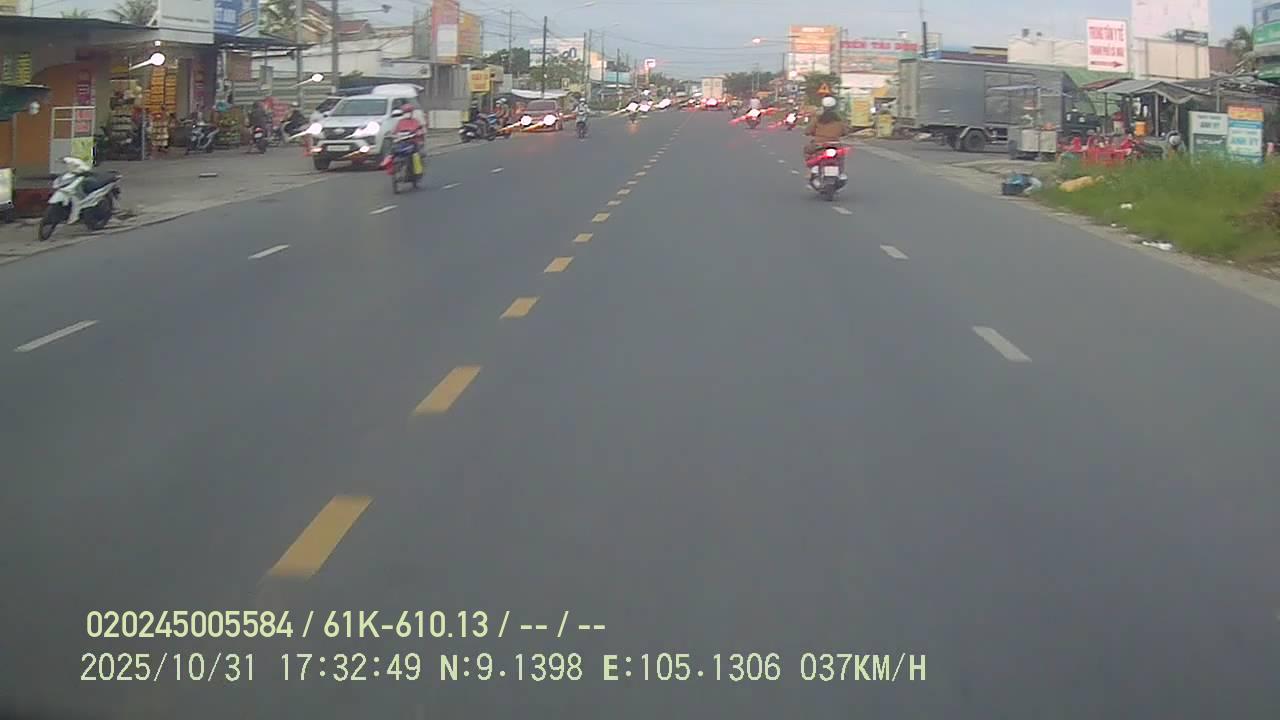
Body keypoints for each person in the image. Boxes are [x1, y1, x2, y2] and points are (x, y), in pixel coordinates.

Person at [804, 95, 846, 159]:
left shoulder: (817, 119)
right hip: (835, 144)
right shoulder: (839, 120)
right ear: (835, 107)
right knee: (840, 156)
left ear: (823, 107)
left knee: (808, 151)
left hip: (819, 144)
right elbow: (845, 131)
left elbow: (808, 131)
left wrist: (809, 133)